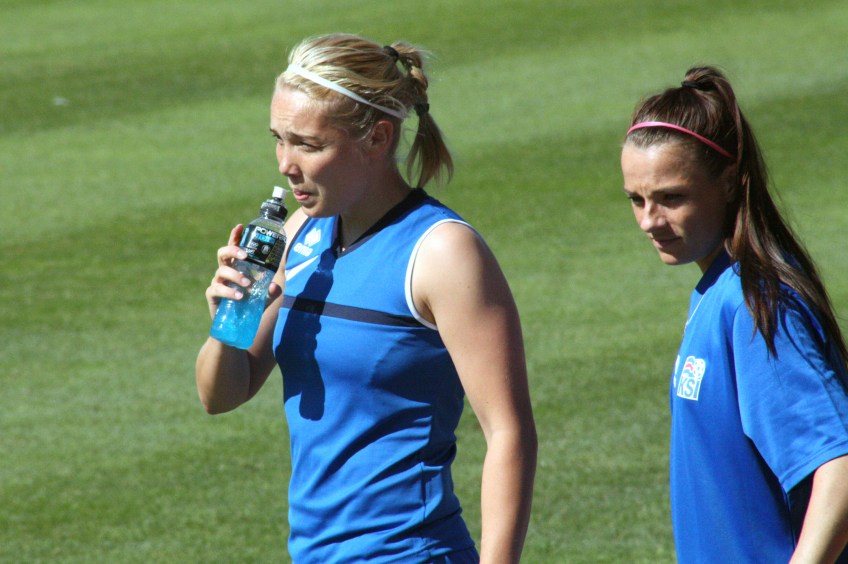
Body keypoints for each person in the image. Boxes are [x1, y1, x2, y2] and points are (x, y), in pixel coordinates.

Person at [196, 33, 536, 563]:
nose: (285, 163)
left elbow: (509, 434)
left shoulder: (442, 252)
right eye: (279, 139)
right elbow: (221, 395)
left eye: (308, 144)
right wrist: (226, 324)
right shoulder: (299, 233)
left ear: (377, 139)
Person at [620, 65, 848, 563]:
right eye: (636, 200)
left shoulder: (755, 303)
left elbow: (841, 468)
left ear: (727, 182)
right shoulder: (719, 292)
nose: (648, 221)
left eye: (671, 198)